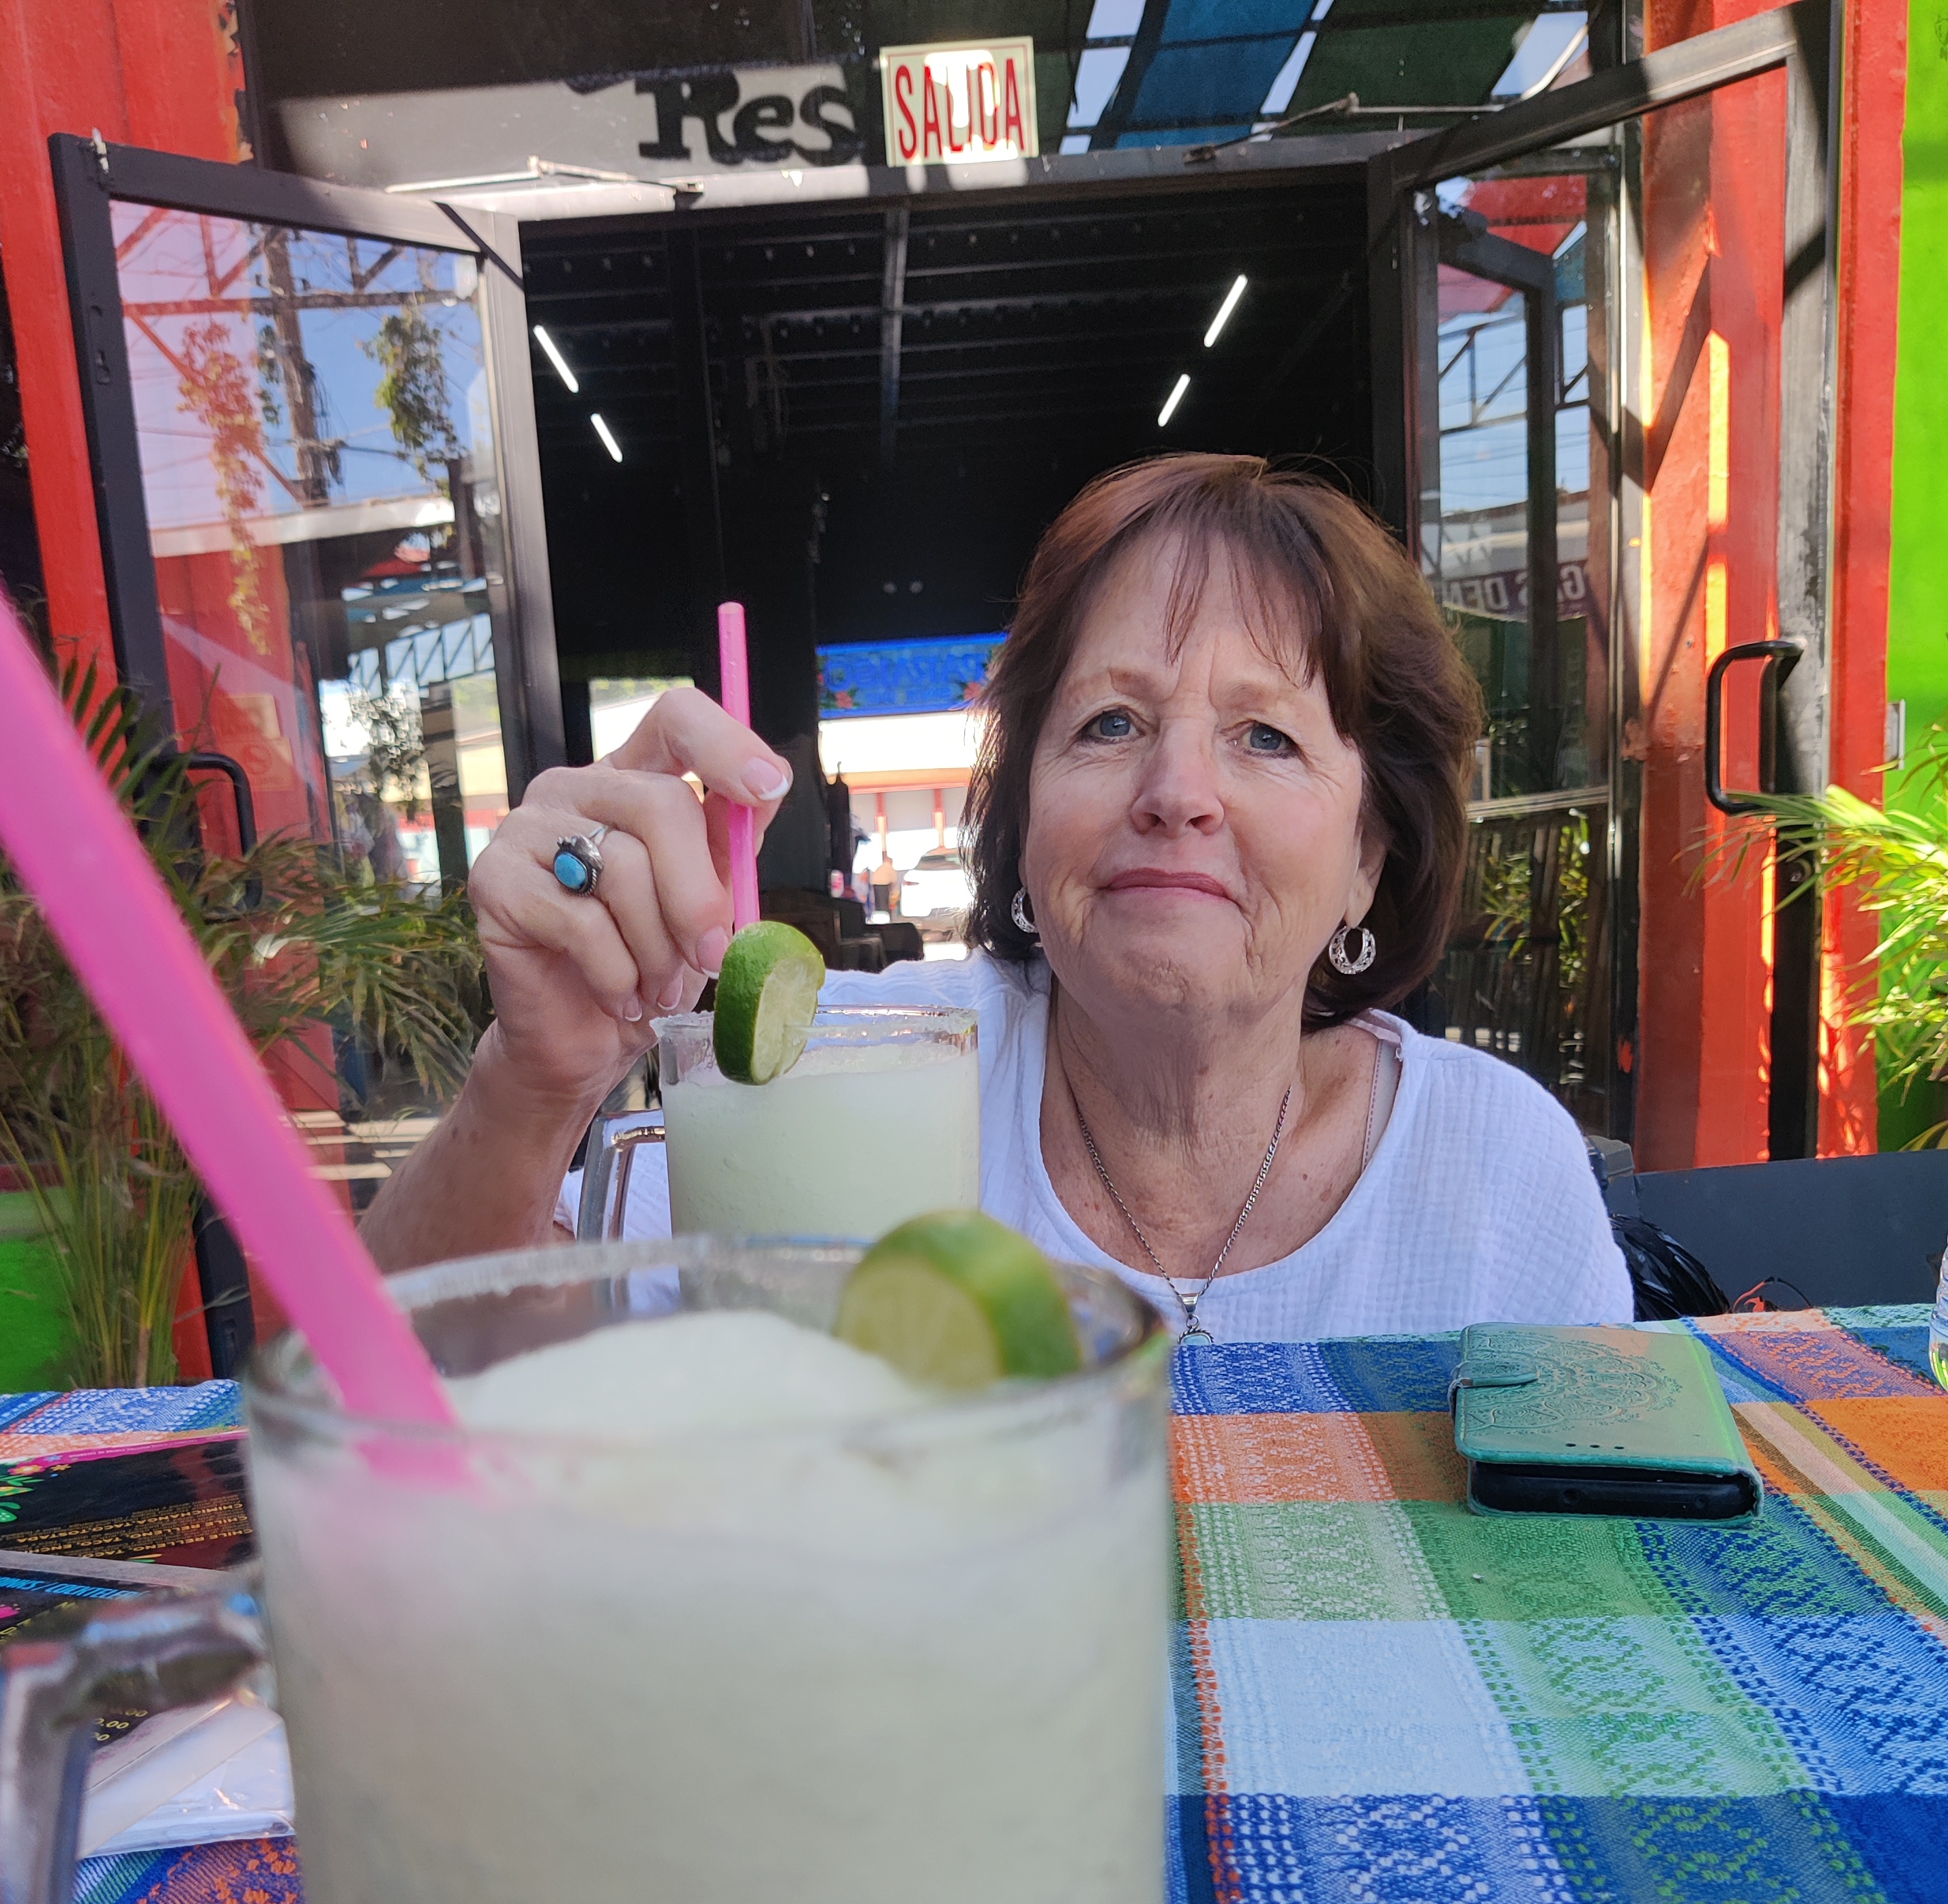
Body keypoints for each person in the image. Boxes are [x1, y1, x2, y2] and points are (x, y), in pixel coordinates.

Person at [362, 455, 1631, 1338]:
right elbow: (417, 1383)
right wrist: (532, 1087)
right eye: (1113, 721)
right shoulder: (858, 1071)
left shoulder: (1496, 1173)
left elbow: (1585, 1611)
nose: (1178, 789)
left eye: (1267, 737)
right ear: (1025, 826)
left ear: (1372, 854)